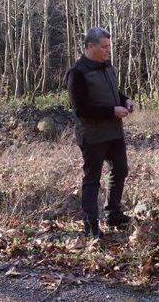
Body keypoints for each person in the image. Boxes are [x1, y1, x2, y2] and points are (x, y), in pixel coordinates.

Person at [66, 26, 134, 237]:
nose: (108, 51)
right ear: (90, 46)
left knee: (120, 170)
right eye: (104, 47)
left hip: (114, 131)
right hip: (92, 135)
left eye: (109, 47)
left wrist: (125, 100)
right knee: (92, 179)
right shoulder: (77, 73)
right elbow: (80, 109)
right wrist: (111, 111)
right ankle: (90, 224)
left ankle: (112, 214)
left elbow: (113, 91)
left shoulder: (107, 66)